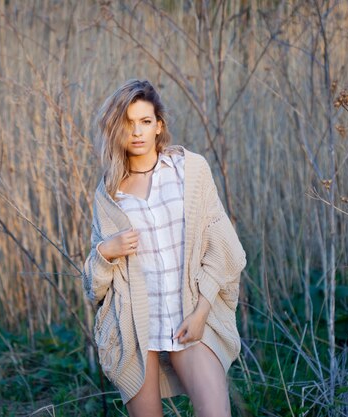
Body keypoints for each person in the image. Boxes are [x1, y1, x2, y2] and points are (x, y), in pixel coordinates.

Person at [83, 79, 246, 417]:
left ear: (159, 125)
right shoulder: (109, 195)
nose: (137, 132)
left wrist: (201, 312)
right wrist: (106, 252)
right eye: (128, 124)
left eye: (145, 121)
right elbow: (93, 288)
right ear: (116, 130)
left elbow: (225, 247)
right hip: (136, 334)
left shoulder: (190, 170)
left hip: (189, 320)